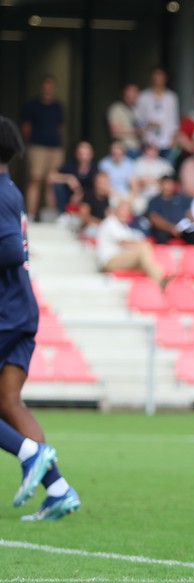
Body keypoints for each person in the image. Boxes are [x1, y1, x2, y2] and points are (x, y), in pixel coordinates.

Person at [0, 115, 80, 520]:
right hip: (20, 308)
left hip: (5, 311)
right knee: (8, 401)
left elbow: (11, 251)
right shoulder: (10, 189)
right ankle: (58, 488)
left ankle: (31, 453)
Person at [21, 75, 65, 221]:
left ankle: (50, 216)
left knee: (52, 181)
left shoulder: (58, 106)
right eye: (45, 85)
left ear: (53, 88)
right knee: (35, 180)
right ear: (41, 87)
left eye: (50, 85)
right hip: (37, 147)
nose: (48, 88)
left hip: (55, 148)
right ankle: (31, 215)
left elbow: (60, 127)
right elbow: (26, 128)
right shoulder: (32, 106)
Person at [95, 200, 168, 286]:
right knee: (144, 249)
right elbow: (124, 241)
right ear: (116, 210)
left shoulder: (124, 227)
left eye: (127, 211)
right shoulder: (110, 221)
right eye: (122, 210)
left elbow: (131, 244)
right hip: (110, 261)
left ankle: (164, 282)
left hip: (122, 258)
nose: (125, 213)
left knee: (149, 263)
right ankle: (162, 283)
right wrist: (143, 244)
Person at [135, 68, 180, 160]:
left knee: (166, 171)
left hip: (167, 141)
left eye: (160, 78)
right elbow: (138, 120)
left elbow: (175, 120)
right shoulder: (143, 97)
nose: (158, 81)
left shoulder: (171, 97)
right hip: (149, 142)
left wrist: (174, 138)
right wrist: (147, 125)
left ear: (165, 79)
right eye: (155, 78)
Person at [146, 173, 194, 246]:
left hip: (182, 229)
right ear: (160, 185)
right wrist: (170, 228)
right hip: (164, 229)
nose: (167, 187)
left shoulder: (182, 198)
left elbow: (189, 213)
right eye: (165, 184)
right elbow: (153, 218)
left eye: (170, 184)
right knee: (160, 235)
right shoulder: (154, 201)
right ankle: (162, 256)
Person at [48, 141, 95, 215]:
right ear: (76, 154)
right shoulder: (71, 165)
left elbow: (97, 188)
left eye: (86, 154)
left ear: (91, 155)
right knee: (57, 185)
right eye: (81, 154)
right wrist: (68, 178)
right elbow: (50, 177)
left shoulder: (95, 168)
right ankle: (63, 214)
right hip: (69, 199)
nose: (83, 157)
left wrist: (80, 193)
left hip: (87, 200)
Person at [106, 83, 142, 158]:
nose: (133, 96)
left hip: (138, 149)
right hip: (124, 150)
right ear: (124, 94)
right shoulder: (116, 109)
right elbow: (114, 132)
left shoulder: (137, 110)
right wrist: (135, 132)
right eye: (130, 93)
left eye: (135, 93)